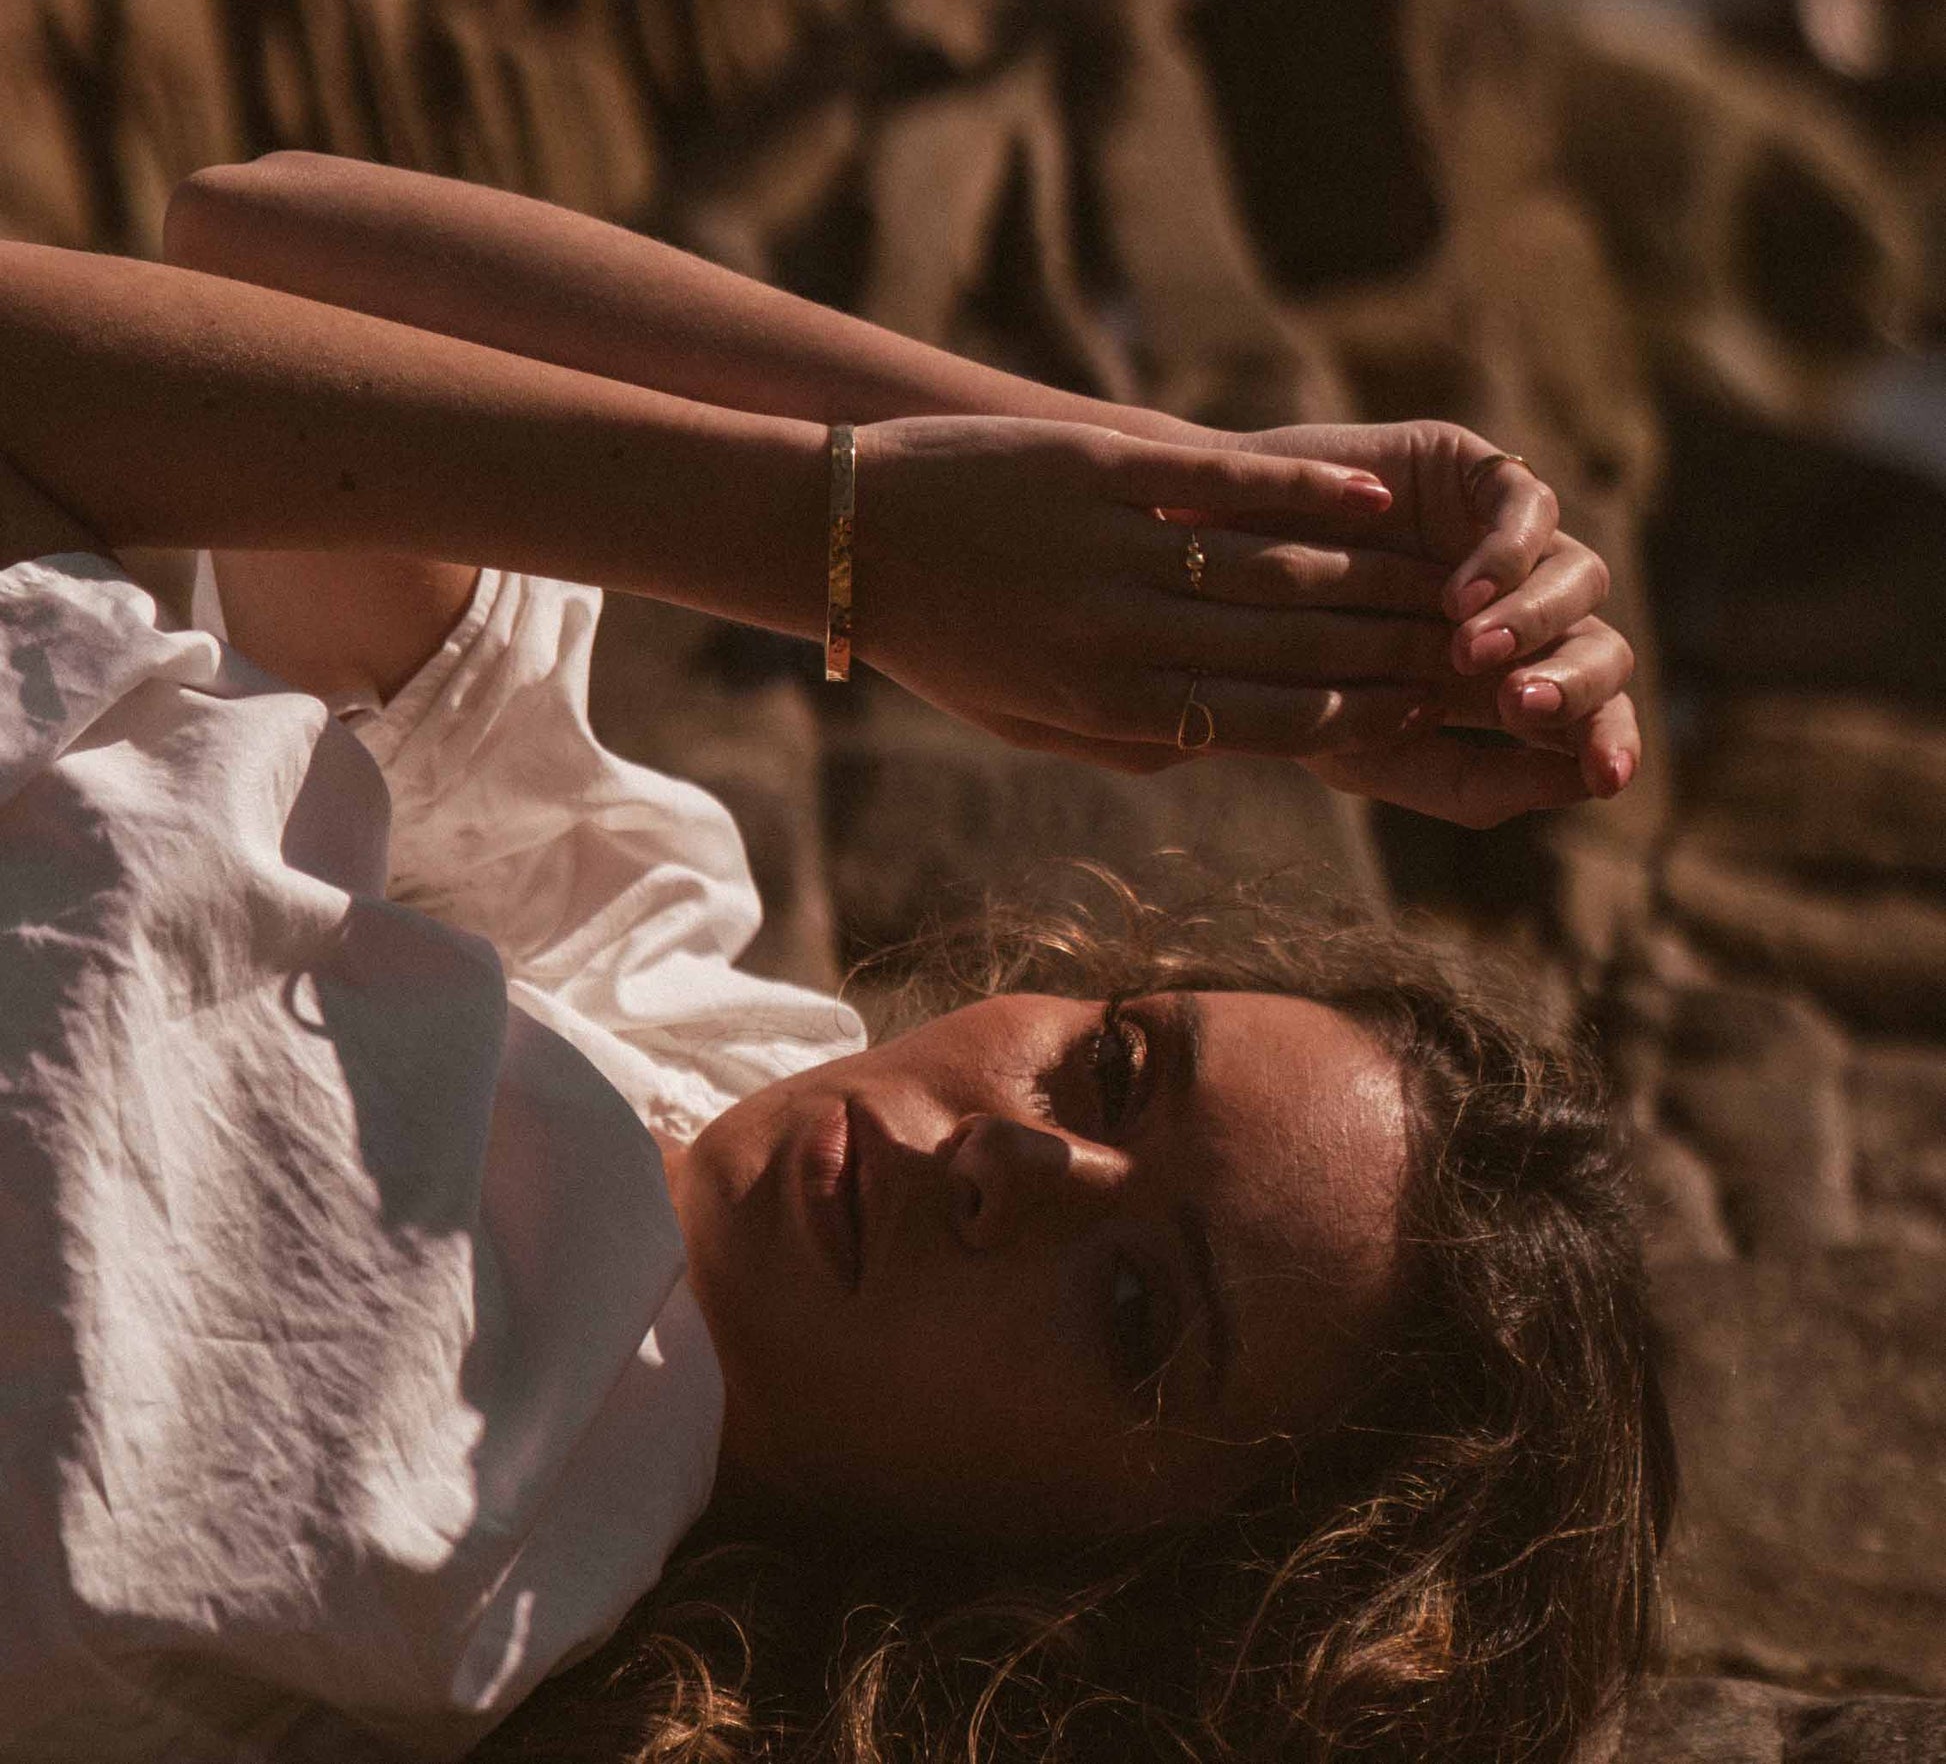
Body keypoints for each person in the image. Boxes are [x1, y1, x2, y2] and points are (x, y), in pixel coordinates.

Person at [0, 156, 1666, 1763]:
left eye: (1134, 1312)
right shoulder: (696, 1056)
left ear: (1089, 1603)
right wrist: (1177, 517)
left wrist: (847, 539)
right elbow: (267, 250)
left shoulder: (396, 1518)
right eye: (1113, 1066)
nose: (1012, 1161)